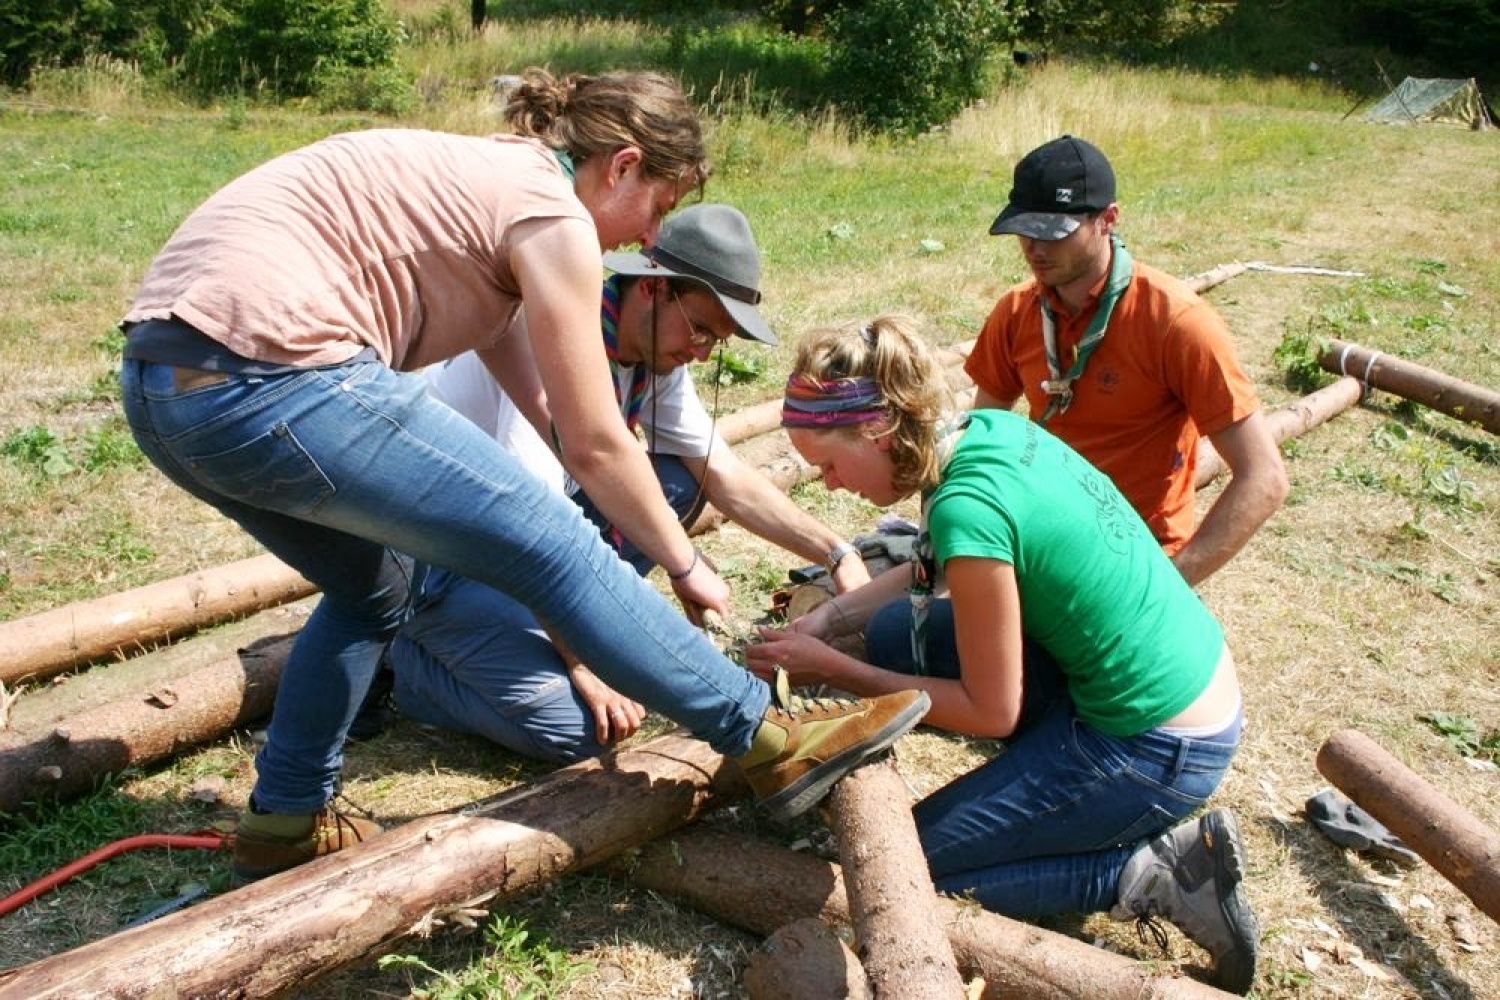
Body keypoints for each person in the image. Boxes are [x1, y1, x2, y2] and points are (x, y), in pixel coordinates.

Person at [117, 67, 929, 886]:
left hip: (167, 390)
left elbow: (554, 417)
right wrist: (681, 565)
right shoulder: (551, 213)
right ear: (622, 167)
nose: (649, 237)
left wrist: (680, 549)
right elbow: (594, 450)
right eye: (658, 207)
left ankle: (285, 817)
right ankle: (768, 735)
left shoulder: (497, 208)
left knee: (372, 589)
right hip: (272, 373)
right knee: (552, 539)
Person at [746, 315, 1260, 994]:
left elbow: (991, 711)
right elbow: (938, 560)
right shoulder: (984, 432)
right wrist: (830, 619)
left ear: (876, 430)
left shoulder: (968, 508)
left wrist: (839, 670)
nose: (830, 484)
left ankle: (1147, 874)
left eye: (828, 465)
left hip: (1159, 743)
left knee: (913, 871)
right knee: (898, 633)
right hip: (1161, 681)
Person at [385, 203, 872, 762]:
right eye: (700, 329)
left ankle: (534, 626)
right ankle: (405, 662)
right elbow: (530, 528)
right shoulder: (559, 340)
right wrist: (585, 661)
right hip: (441, 559)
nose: (701, 352)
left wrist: (835, 552)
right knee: (578, 727)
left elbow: (722, 473)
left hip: (509, 537)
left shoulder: (649, 349)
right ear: (653, 289)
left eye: (715, 342)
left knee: (674, 483)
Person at [965, 135, 1288, 586]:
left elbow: (1264, 477)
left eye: (1054, 233)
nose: (1034, 248)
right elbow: (980, 439)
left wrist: (1168, 588)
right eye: (1024, 230)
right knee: (898, 623)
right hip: (1046, 543)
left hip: (1136, 554)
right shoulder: (1018, 311)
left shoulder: (1175, 322)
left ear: (1108, 219)